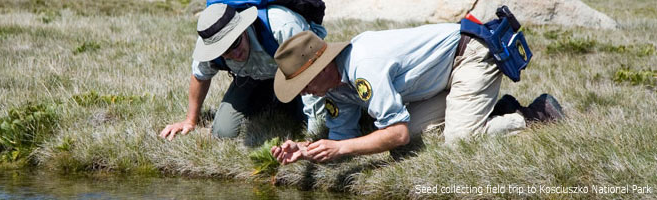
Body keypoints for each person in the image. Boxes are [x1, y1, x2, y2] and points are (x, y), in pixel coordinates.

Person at [269, 26, 564, 164]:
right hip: (439, 79)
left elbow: (396, 132)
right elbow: (341, 140)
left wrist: (343, 149)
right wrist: (306, 151)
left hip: (468, 56)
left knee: (459, 142)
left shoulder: (364, 67)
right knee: (404, 148)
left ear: (321, 68)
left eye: (304, 83)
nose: (304, 92)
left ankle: (534, 114)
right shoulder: (332, 89)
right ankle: (498, 110)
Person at [159, 3, 327, 140]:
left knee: (301, 122)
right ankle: (273, 98)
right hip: (254, 78)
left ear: (243, 28)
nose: (234, 54)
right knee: (223, 132)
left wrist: (313, 137)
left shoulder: (283, 27)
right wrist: (190, 120)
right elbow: (200, 76)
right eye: (225, 52)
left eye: (235, 43)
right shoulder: (210, 41)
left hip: (298, 76)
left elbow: (313, 75)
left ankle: (288, 104)